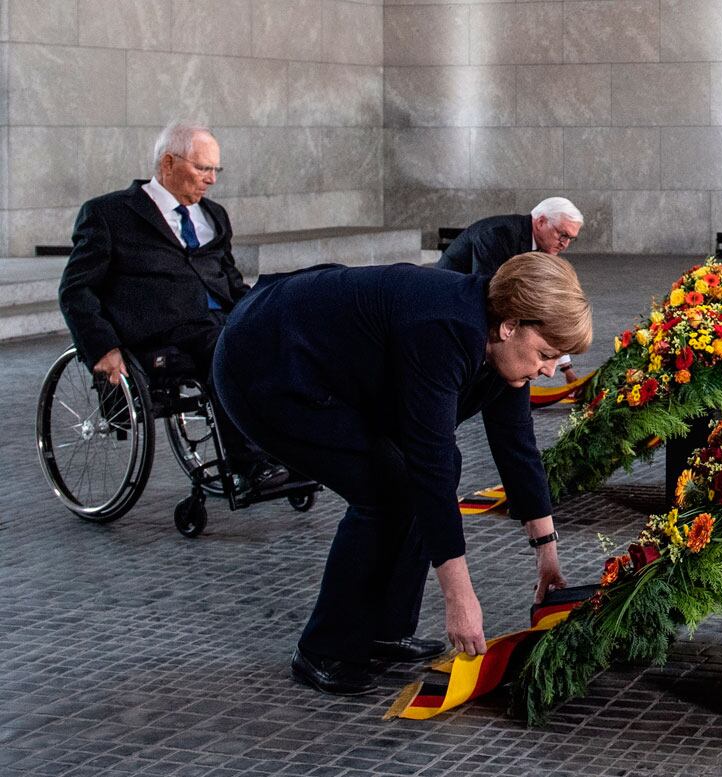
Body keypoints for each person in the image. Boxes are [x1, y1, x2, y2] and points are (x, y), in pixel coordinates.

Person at [212, 252, 593, 695]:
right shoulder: (443, 328)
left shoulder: (500, 336)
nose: (549, 370)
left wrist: (547, 556)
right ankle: (324, 650)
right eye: (546, 354)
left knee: (434, 470)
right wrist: (459, 599)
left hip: (329, 364)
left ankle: (385, 629)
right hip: (266, 366)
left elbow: (517, 448)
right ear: (510, 326)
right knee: (386, 490)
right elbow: (425, 463)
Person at [58, 121, 287, 493]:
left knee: (288, 337)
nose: (211, 179)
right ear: (168, 163)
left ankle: (293, 449)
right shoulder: (110, 215)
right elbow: (75, 289)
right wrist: (102, 347)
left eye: (216, 169)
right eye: (203, 168)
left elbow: (228, 279)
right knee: (226, 349)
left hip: (221, 319)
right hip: (163, 331)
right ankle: (248, 464)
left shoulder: (214, 215)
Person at [437, 197, 585, 382]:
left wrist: (566, 368)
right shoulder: (497, 236)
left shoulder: (538, 247)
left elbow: (546, 310)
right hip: (445, 317)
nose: (565, 244)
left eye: (571, 238)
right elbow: (489, 299)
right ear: (540, 222)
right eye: (562, 235)